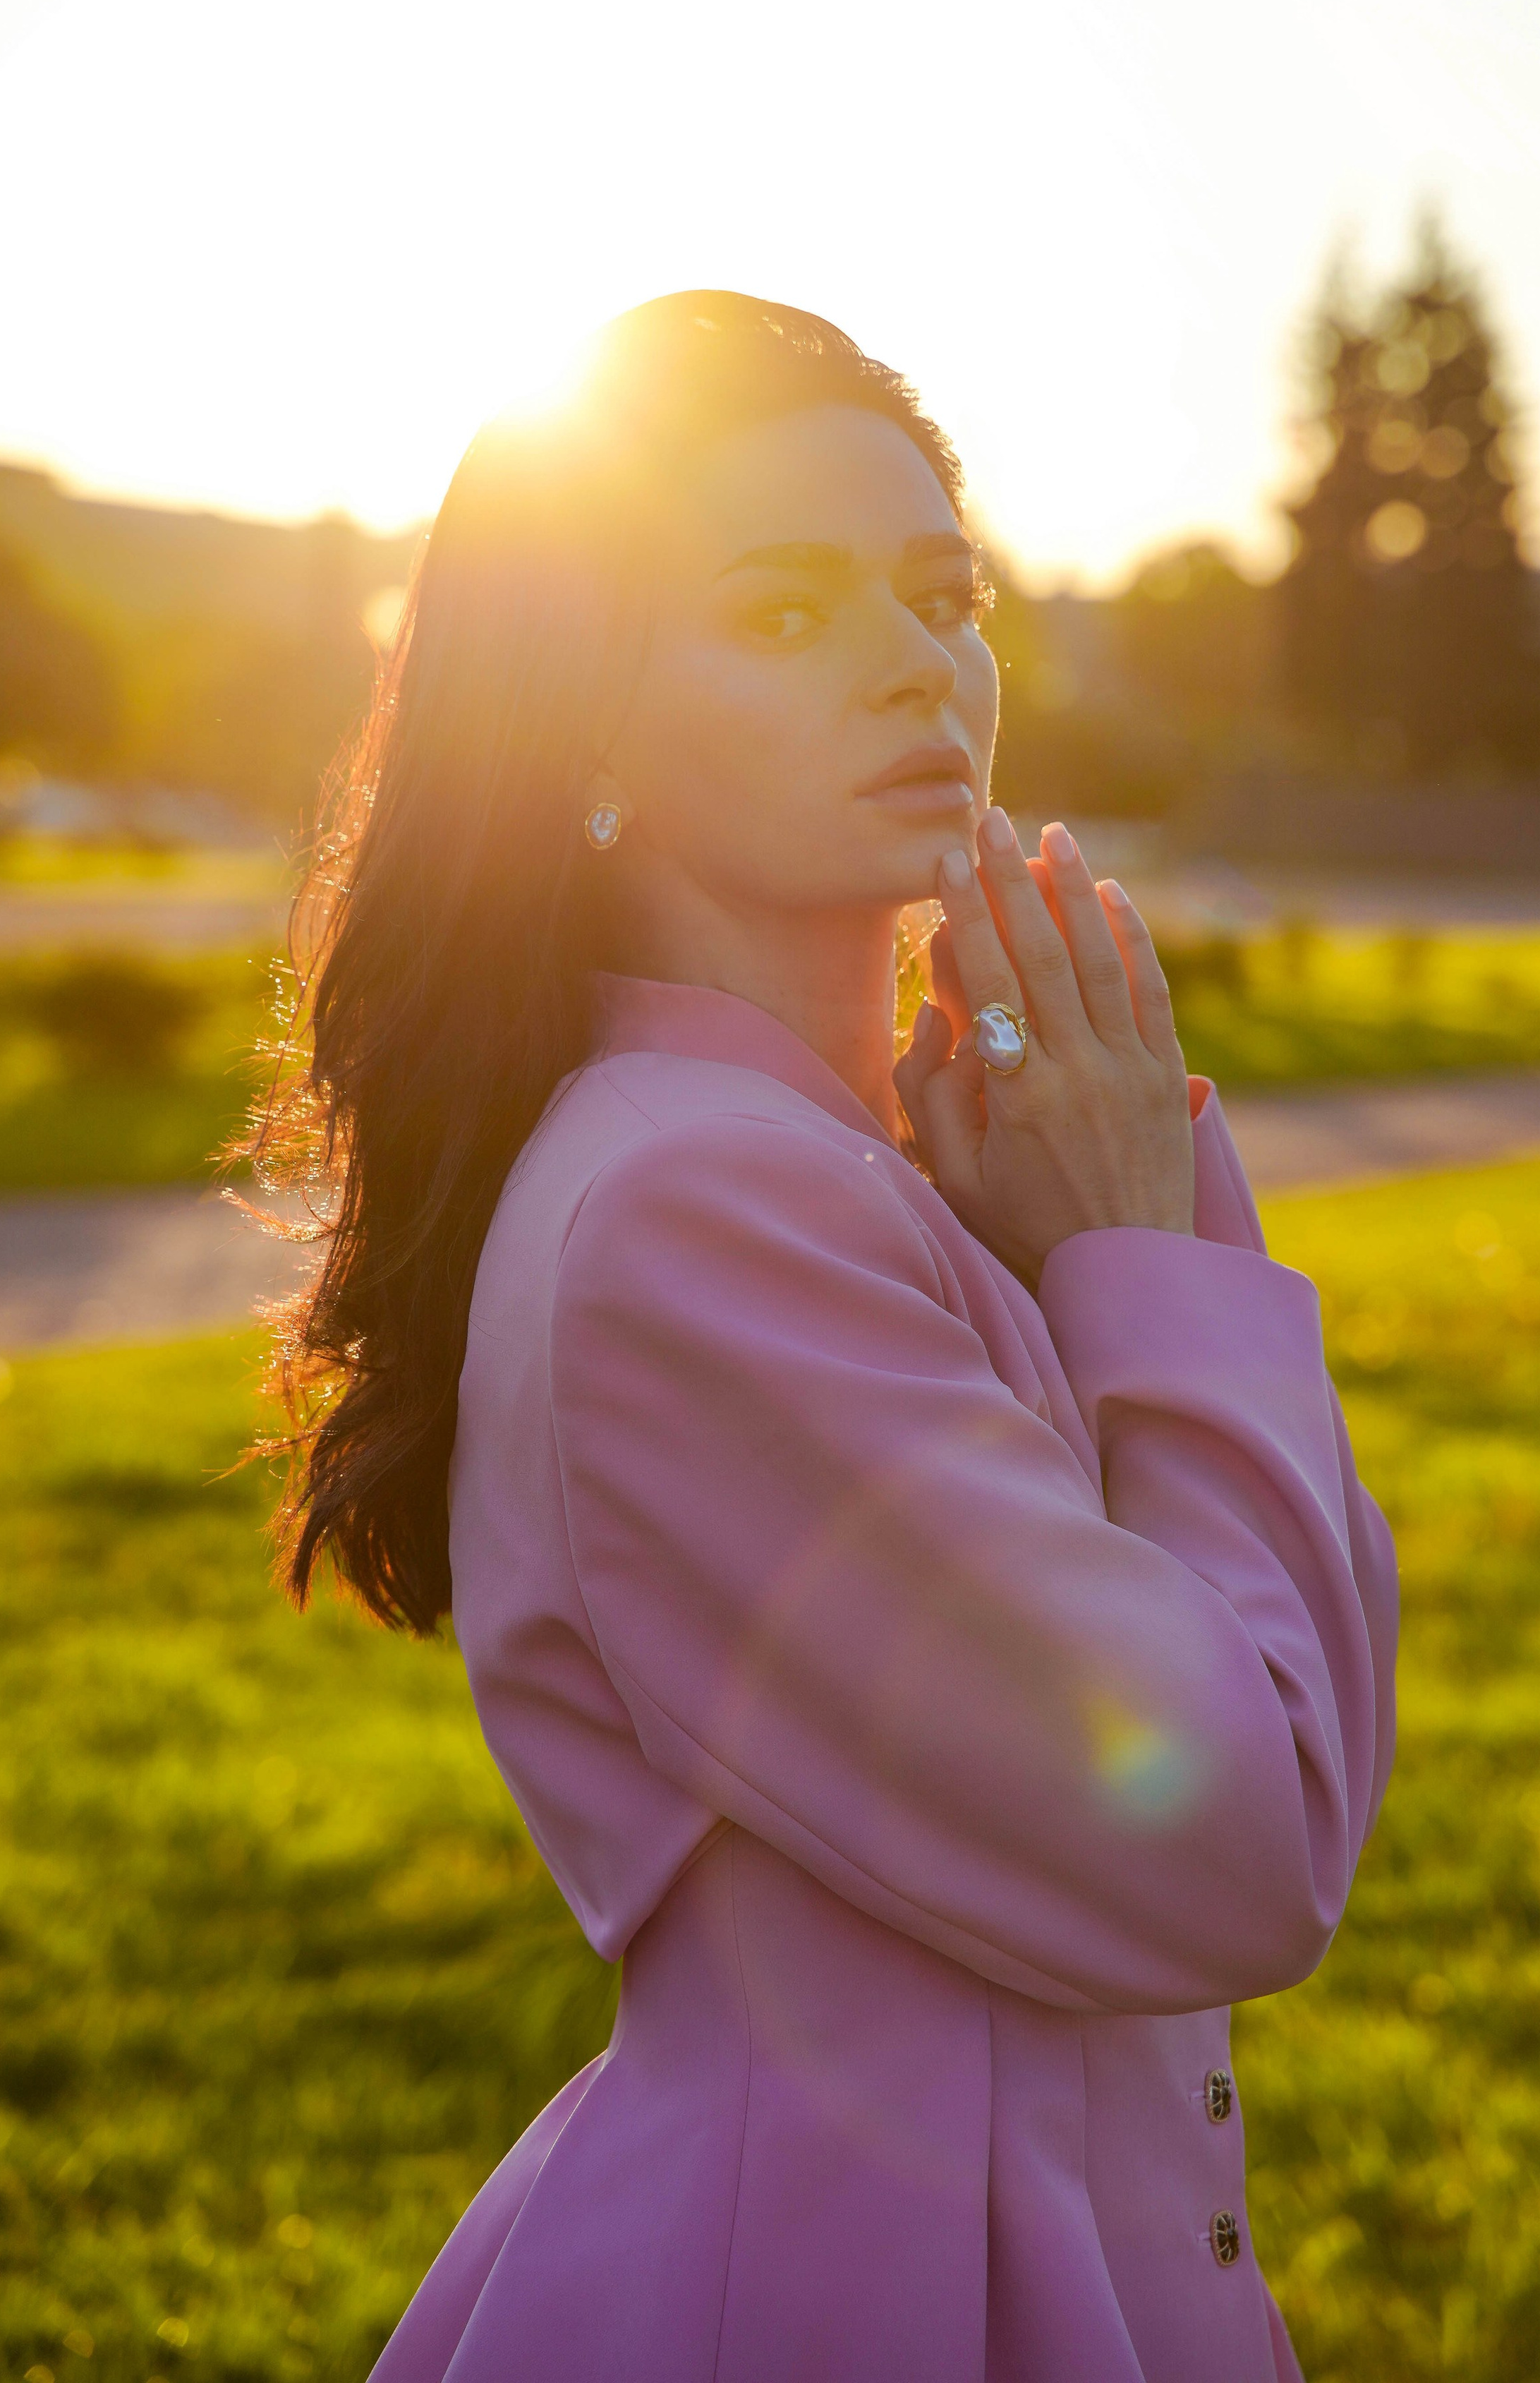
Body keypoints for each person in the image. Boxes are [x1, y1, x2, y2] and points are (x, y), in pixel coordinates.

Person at [253, 291, 1396, 2382]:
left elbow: (1289, 1696)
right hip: (850, 2297)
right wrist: (1147, 1255)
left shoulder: (841, 1176)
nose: (912, 661)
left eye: (941, 591)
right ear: (584, 729)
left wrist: (1081, 1239)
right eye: (779, 614)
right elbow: (1245, 1838)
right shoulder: (694, 1208)